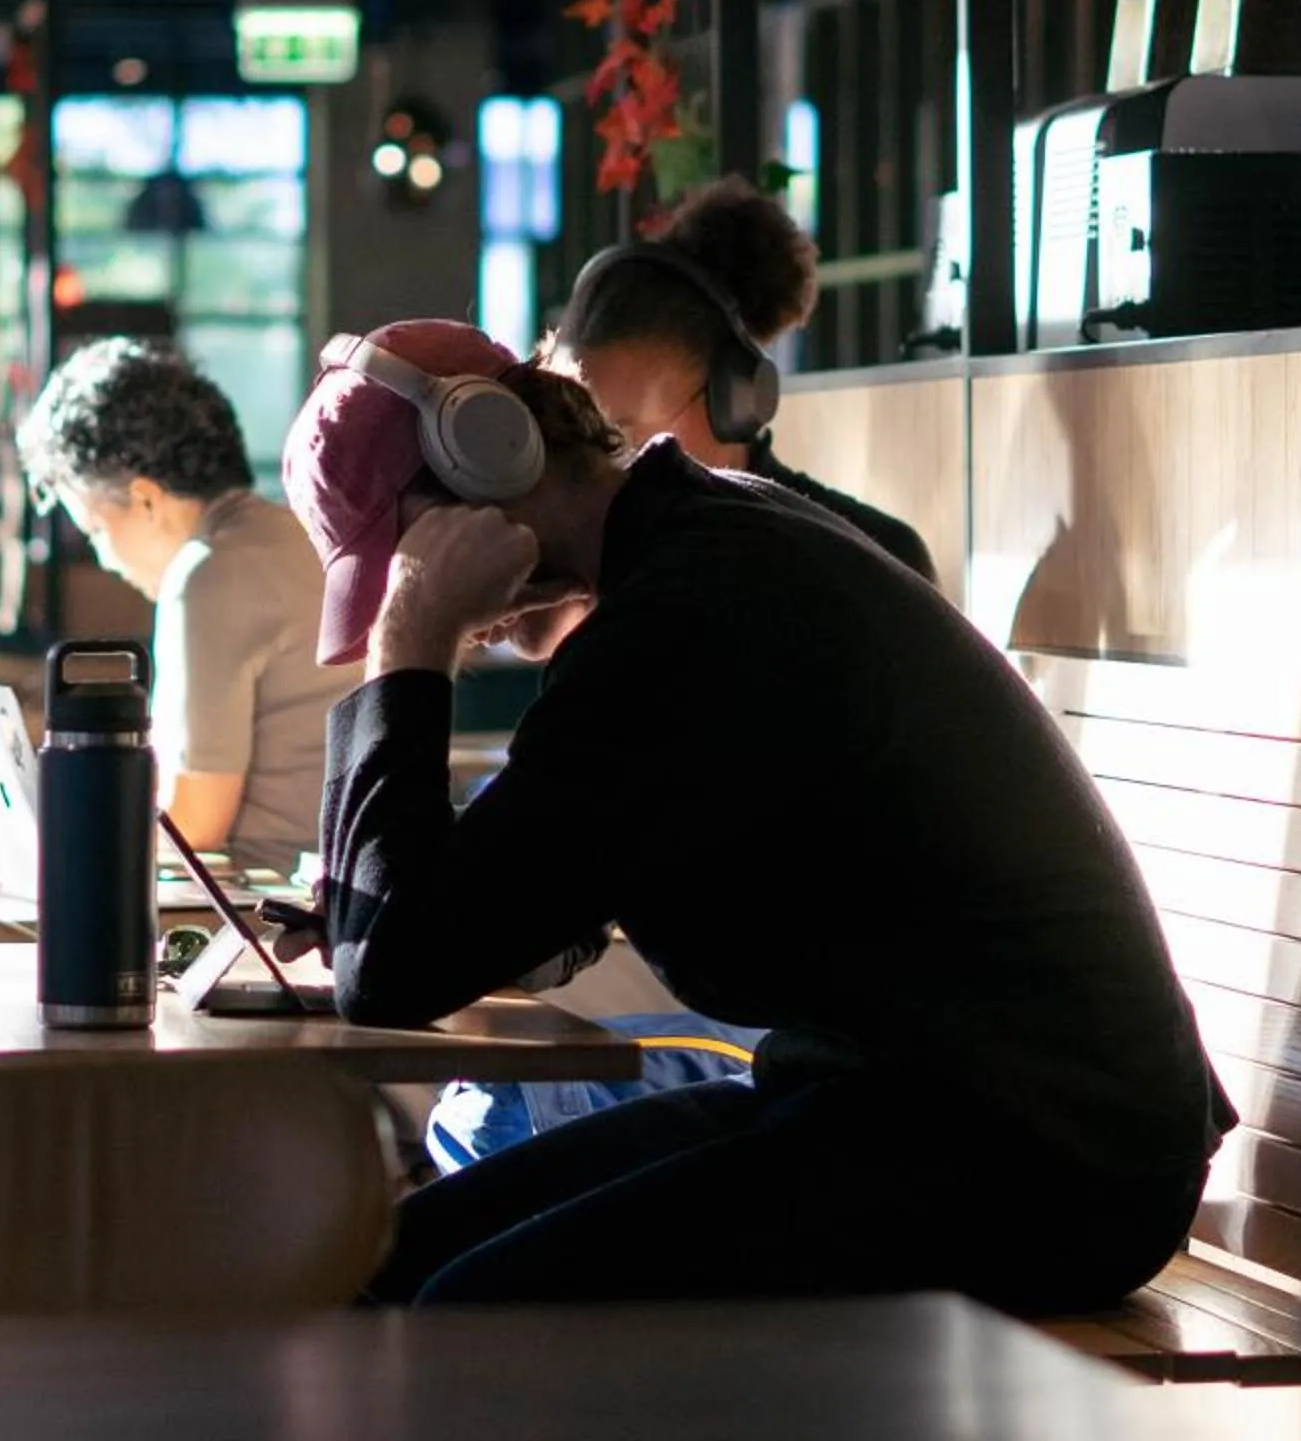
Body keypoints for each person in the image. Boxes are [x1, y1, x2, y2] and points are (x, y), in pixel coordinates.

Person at [282, 320, 1230, 1308]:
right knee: (384, 1263)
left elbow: (390, 975)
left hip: (1038, 1155)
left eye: (408, 557)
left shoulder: (691, 607)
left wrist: (413, 639)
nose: (458, 611)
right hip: (906, 1104)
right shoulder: (697, 545)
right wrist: (407, 892)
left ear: (482, 450)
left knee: (466, 1315)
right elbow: (491, 916)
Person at [17, 340, 354, 877]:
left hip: (261, 913)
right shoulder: (300, 537)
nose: (104, 559)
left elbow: (192, 826)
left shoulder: (208, 574)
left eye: (96, 531)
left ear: (146, 498)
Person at [550, 176, 934, 583]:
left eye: (625, 444)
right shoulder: (577, 573)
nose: (602, 474)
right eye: (581, 446)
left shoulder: (868, 559)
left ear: (737, 400)